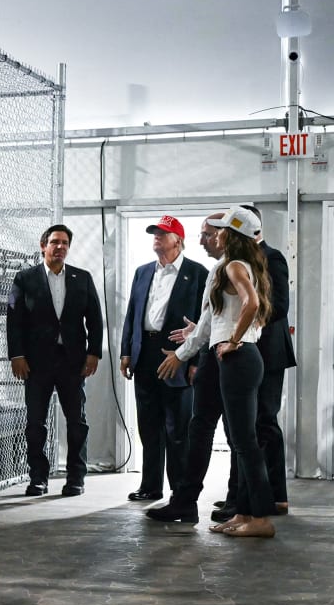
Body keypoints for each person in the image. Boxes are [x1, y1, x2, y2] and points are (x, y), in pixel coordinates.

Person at [150, 206, 276, 537]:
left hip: (236, 358)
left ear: (233, 235)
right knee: (236, 438)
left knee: (245, 441)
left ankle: (261, 518)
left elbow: (252, 304)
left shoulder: (234, 266)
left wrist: (233, 340)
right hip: (231, 357)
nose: (214, 235)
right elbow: (214, 319)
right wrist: (206, 341)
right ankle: (244, 513)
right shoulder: (236, 265)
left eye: (220, 230)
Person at [212, 205, 296, 521]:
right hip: (247, 350)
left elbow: (279, 305)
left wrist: (242, 331)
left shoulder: (271, 257)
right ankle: (240, 497)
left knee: (262, 423)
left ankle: (274, 496)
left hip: (267, 352)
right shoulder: (234, 262)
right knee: (243, 428)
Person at [7, 224, 103, 497]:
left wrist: (94, 353)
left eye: (64, 243)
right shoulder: (23, 279)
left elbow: (95, 319)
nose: (60, 247)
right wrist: (17, 355)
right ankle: (38, 478)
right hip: (36, 363)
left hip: (73, 362)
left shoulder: (82, 278)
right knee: (35, 423)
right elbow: (13, 319)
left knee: (77, 422)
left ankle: (76, 478)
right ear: (43, 246)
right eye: (54, 242)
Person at [120, 215, 209, 501]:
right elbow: (132, 313)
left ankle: (180, 490)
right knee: (149, 425)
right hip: (145, 352)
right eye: (154, 233)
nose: (156, 237)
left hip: (178, 354)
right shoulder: (143, 272)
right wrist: (126, 352)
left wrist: (195, 361)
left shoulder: (198, 273)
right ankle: (150, 486)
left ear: (178, 241)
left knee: (178, 427)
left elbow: (205, 321)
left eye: (163, 233)